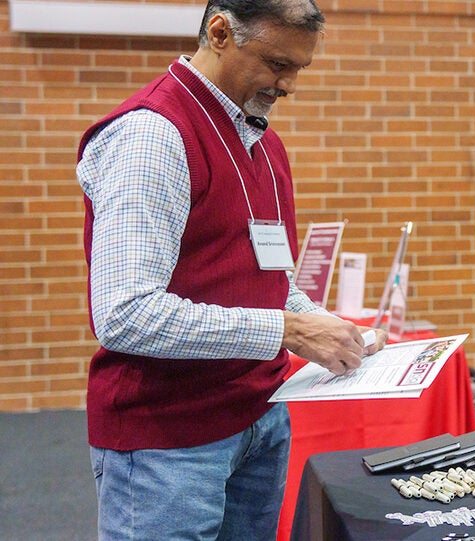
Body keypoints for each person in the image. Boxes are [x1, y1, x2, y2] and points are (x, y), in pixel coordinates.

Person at [76, 1, 387, 538]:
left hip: (260, 419)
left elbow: (271, 279)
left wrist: (325, 326)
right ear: (219, 32)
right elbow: (126, 315)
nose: (288, 84)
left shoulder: (262, 142)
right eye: (275, 63)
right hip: (167, 438)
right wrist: (290, 330)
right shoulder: (153, 134)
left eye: (298, 68)